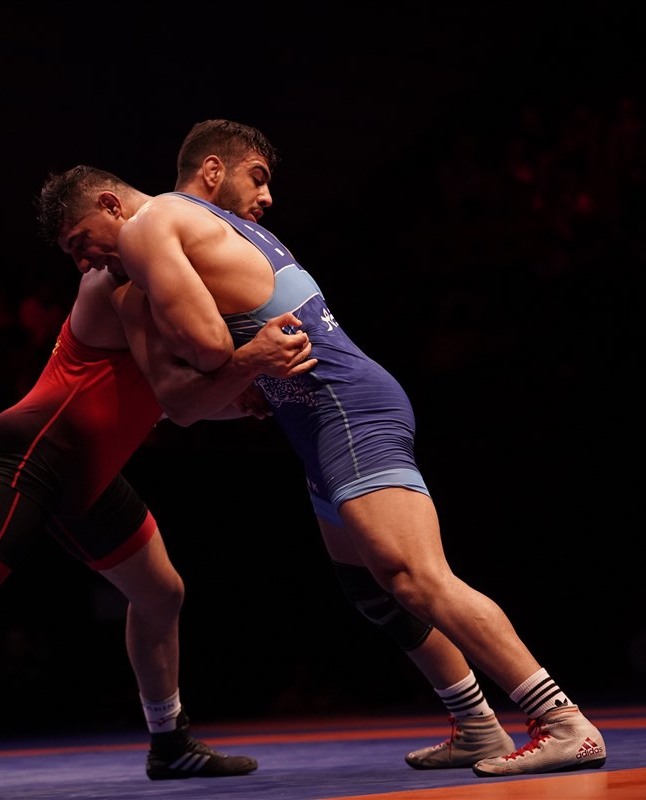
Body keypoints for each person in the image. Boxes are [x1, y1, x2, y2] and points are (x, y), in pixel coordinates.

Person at [35, 119, 608, 778]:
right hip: (329, 415)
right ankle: (479, 725)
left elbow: (212, 350)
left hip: (345, 411)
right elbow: (215, 376)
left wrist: (237, 365)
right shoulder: (218, 229)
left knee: (416, 576)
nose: (85, 264)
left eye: (80, 244)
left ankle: (562, 720)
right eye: (259, 179)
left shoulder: (152, 223)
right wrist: (244, 374)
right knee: (371, 589)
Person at [0, 253, 316, 799]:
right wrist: (246, 367)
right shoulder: (119, 284)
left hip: (90, 473)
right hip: (31, 458)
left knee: (162, 594)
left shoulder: (174, 312)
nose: (83, 254)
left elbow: (177, 401)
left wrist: (244, 398)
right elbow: (181, 398)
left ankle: (170, 744)